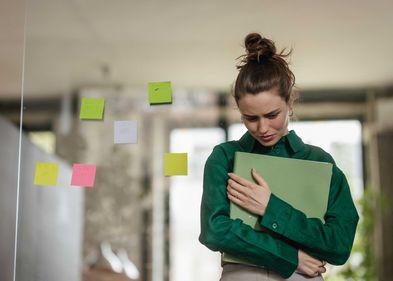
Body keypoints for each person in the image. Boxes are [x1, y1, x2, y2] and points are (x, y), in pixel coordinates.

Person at [199, 33, 359, 281]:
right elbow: (214, 231)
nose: (262, 128)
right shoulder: (224, 157)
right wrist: (290, 257)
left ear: (290, 102)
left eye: (272, 115)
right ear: (239, 112)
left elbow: (339, 245)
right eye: (251, 118)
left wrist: (270, 208)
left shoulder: (320, 162)